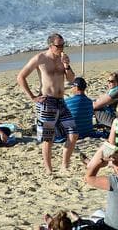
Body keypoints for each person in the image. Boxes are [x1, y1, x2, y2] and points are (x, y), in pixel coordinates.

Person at [16, 33, 79, 172]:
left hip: (61, 101)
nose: (62, 48)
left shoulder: (63, 58)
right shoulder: (40, 58)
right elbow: (21, 77)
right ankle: (48, 169)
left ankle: (64, 165)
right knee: (48, 138)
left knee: (73, 133)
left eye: (63, 45)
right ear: (51, 45)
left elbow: (71, 79)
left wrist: (67, 65)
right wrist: (32, 97)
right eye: (59, 45)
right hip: (46, 100)